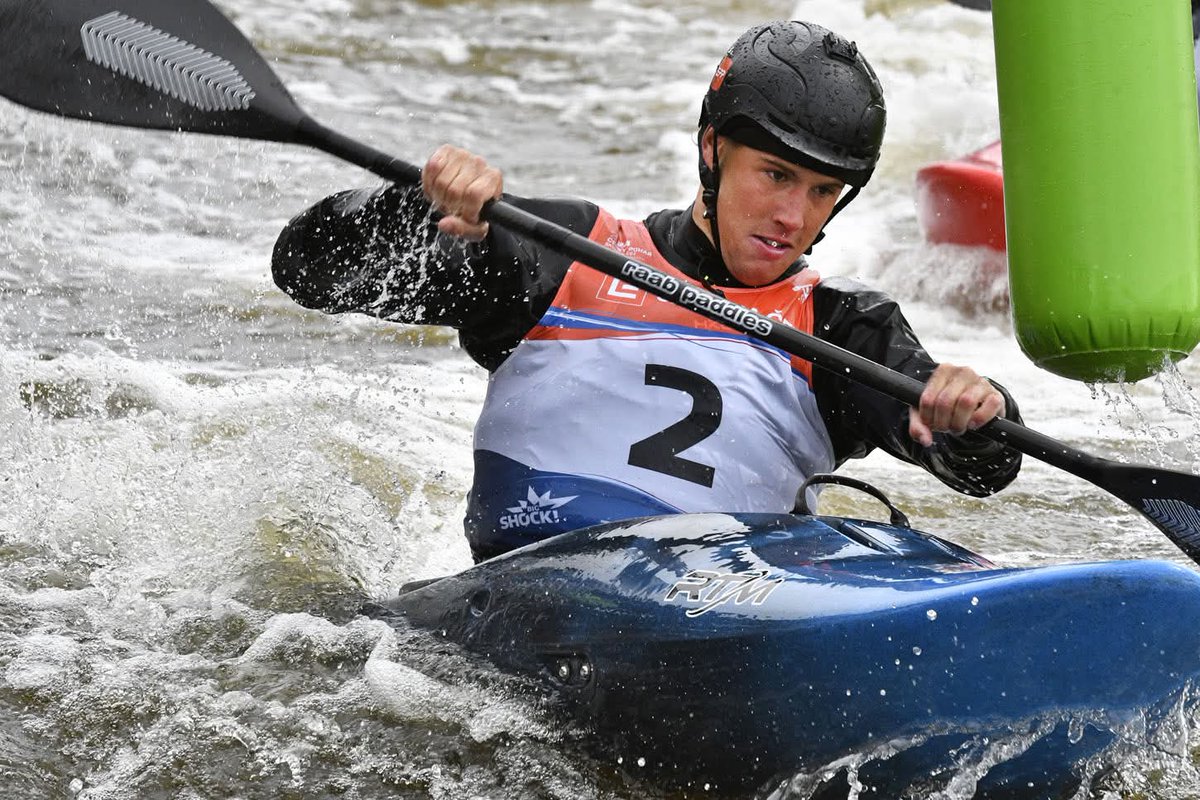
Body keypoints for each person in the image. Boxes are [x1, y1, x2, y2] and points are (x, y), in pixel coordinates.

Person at [272, 20, 1023, 562]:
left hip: (723, 609)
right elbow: (305, 269)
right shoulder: (561, 252)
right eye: (775, 175)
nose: (794, 217)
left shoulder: (839, 327)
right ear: (713, 150)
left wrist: (974, 413)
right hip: (529, 582)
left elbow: (983, 468)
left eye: (823, 190)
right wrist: (421, 211)